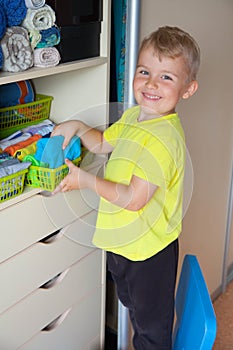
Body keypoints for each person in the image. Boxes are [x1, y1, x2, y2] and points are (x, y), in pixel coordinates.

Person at [51, 26, 200, 350]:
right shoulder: (136, 116)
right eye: (145, 71)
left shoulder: (163, 139)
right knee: (134, 310)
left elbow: (134, 199)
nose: (150, 84)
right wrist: (77, 127)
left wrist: (85, 181)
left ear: (188, 89)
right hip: (123, 244)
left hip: (149, 253)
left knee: (150, 331)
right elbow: (104, 143)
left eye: (166, 78)